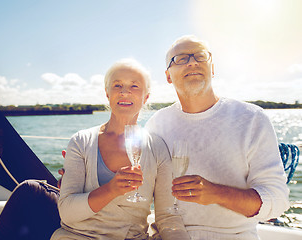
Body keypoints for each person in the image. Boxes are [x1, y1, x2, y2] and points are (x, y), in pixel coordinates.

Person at [144, 35, 290, 239]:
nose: (193, 62)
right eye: (181, 58)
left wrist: (216, 194)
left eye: (200, 56)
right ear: (168, 76)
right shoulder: (156, 124)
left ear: (212, 68)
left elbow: (277, 201)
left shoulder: (251, 119)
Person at [49, 58, 188, 240]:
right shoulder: (81, 141)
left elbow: (167, 217)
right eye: (117, 86)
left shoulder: (157, 147)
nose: (124, 92)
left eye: (134, 86)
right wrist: (112, 189)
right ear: (107, 94)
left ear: (146, 97)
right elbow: (67, 213)